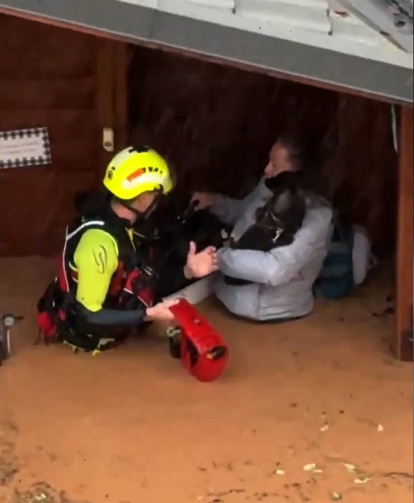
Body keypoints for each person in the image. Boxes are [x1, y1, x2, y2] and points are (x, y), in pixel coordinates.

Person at [37, 146, 218, 353]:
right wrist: (147, 315)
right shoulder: (99, 245)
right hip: (90, 337)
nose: (159, 202)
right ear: (142, 198)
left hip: (119, 307)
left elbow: (144, 281)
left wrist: (189, 272)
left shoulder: (129, 227)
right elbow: (87, 316)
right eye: (157, 196)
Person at [193, 132, 333, 322]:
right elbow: (246, 215)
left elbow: (274, 269)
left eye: (274, 165)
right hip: (227, 294)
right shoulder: (272, 186)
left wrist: (218, 259)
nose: (266, 169)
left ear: (297, 173)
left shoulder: (315, 218)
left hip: (267, 310)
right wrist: (214, 202)